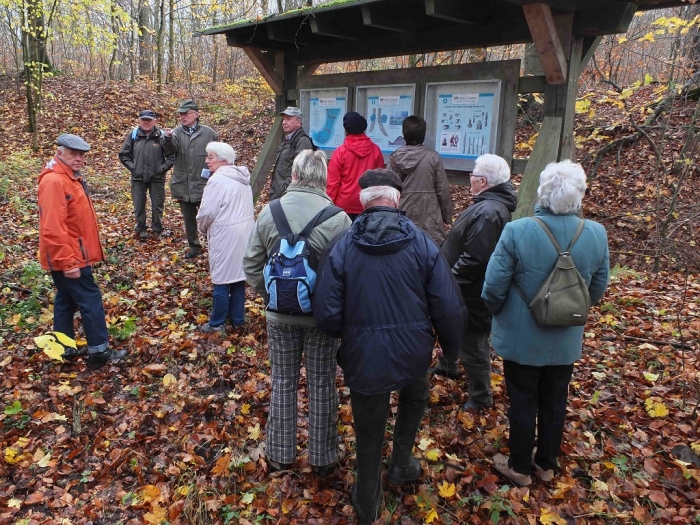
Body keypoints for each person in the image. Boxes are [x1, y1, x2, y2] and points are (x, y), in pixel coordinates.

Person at [313, 169, 464, 525]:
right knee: (414, 396)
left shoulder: (342, 245)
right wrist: (450, 351)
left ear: (363, 202)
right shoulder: (423, 243)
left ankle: (367, 501)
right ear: (397, 200)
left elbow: (327, 314)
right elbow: (449, 305)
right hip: (414, 350)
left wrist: (347, 335)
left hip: (363, 354)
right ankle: (400, 465)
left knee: (369, 424)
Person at [481, 160, 609, 486]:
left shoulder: (517, 230)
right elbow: (597, 289)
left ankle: (520, 468)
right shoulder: (595, 233)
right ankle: (547, 464)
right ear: (579, 195)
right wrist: (569, 310)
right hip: (566, 335)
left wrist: (499, 314)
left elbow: (493, 287)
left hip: (522, 337)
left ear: (542, 192)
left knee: (522, 399)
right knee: (556, 399)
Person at [243, 149, 351, 476]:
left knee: (284, 381)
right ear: (324, 178)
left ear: (293, 176)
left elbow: (250, 265)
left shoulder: (269, 213)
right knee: (321, 384)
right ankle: (323, 458)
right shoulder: (339, 218)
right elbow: (347, 274)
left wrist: (272, 297)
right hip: (322, 319)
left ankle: (280, 455)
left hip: (279, 318)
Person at [436, 154, 517, 412]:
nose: (470, 179)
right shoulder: (488, 205)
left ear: (482, 181)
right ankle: (449, 366)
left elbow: (475, 259)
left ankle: (481, 396)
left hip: (472, 290)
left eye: (472, 175)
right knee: (456, 329)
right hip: (466, 286)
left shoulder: (489, 211)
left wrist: (450, 280)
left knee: (473, 342)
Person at [38, 134, 127, 369]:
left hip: (73, 254)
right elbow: (53, 228)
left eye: (82, 155)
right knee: (90, 300)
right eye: (73, 154)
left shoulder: (69, 178)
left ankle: (63, 348)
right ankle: (99, 352)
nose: (79, 159)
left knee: (65, 301)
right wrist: (68, 262)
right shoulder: (55, 182)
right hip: (69, 257)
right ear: (60, 153)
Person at [196, 142, 254, 333]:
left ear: (223, 160)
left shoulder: (217, 181)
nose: (207, 161)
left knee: (221, 278)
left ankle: (216, 323)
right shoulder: (243, 178)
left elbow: (206, 212)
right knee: (237, 277)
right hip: (244, 234)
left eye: (210, 157)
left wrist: (202, 229)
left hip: (225, 234)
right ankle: (237, 320)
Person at [162, 99, 218, 258]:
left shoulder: (209, 133)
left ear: (196, 114)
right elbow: (170, 149)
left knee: (209, 218)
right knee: (189, 219)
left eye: (185, 114)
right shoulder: (176, 133)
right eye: (181, 114)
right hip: (183, 185)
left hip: (204, 185)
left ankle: (213, 245)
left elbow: (218, 156)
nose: (182, 117)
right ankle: (194, 246)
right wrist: (166, 138)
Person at [388, 115, 453, 244]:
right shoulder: (433, 158)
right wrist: (447, 217)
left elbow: (388, 189)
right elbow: (443, 191)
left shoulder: (395, 158)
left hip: (401, 215)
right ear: (423, 134)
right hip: (429, 216)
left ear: (404, 134)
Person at [118, 109, 174, 239]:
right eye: (144, 120)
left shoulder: (161, 136)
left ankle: (157, 230)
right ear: (139, 120)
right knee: (138, 205)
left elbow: (171, 157)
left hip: (157, 178)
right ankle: (141, 228)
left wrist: (161, 169)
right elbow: (124, 155)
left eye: (149, 120)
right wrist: (134, 168)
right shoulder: (133, 135)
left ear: (155, 121)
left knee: (157, 205)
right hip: (138, 178)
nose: (146, 122)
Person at [327, 111, 384, 221]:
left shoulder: (340, 152)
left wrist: (329, 206)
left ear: (346, 130)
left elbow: (333, 183)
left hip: (343, 206)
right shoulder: (375, 150)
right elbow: (379, 181)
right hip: (367, 203)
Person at [269, 107, 313, 201]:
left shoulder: (302, 141)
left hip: (288, 197)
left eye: (288, 119)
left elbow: (301, 172)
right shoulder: (287, 140)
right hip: (279, 195)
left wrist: (284, 189)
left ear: (298, 122)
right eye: (283, 119)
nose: (284, 122)